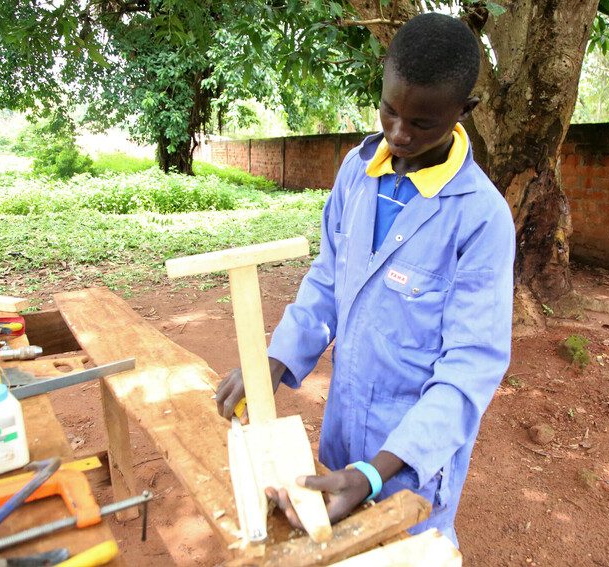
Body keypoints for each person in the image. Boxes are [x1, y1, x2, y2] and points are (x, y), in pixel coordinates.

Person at [215, 12, 514, 545]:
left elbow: (469, 370)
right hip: (343, 433)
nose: (398, 134)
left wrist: (375, 472)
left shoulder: (481, 219)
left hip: (409, 463)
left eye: (421, 124)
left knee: (402, 551)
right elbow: (328, 280)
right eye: (389, 110)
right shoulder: (357, 173)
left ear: (463, 112)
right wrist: (274, 361)